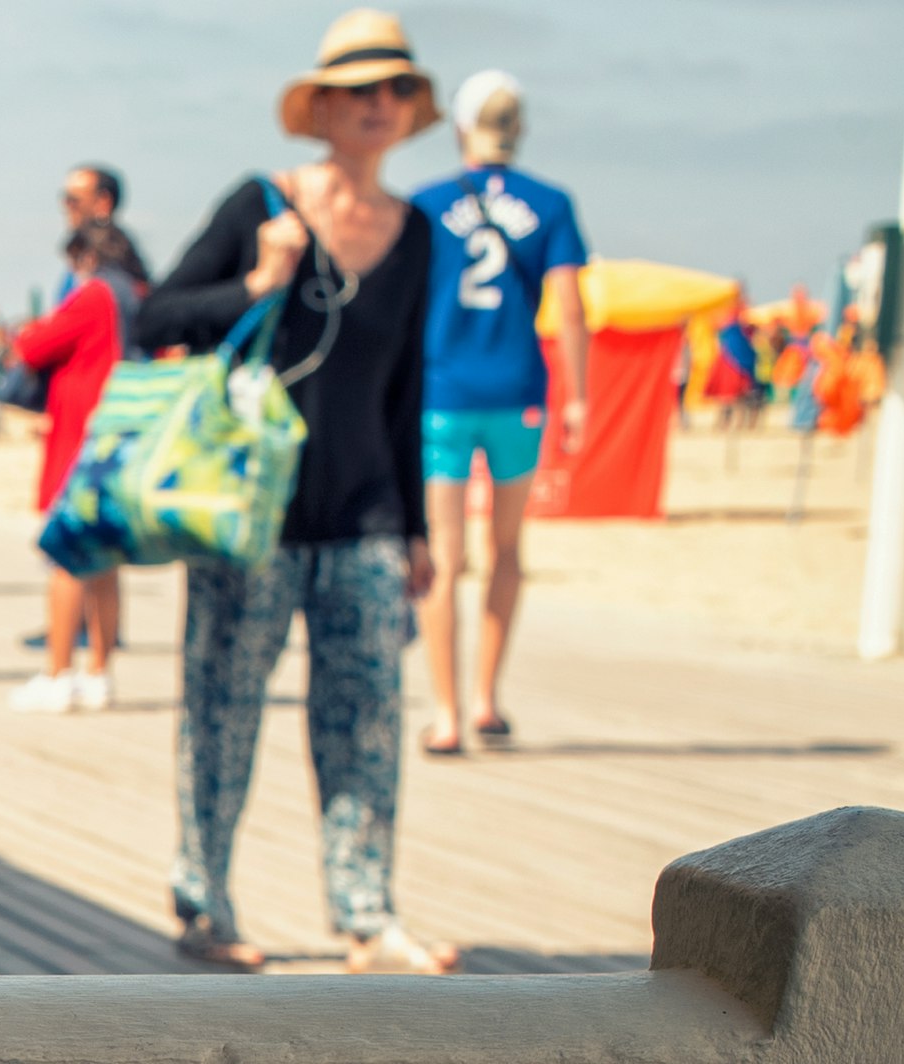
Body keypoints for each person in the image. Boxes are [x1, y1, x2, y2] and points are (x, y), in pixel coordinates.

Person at [135, 8, 454, 974]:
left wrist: (416, 527)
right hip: (248, 510)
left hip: (363, 516)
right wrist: (257, 284)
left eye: (397, 89)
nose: (381, 104)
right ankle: (205, 901)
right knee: (222, 704)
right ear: (321, 108)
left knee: (367, 711)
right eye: (361, 89)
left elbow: (405, 393)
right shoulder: (260, 206)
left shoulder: (415, 234)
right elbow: (154, 316)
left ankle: (365, 915)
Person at [407, 69, 588, 754]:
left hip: (443, 394)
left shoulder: (426, 204)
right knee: (508, 548)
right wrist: (579, 397)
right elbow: (570, 306)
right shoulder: (552, 203)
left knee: (444, 556)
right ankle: (487, 697)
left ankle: (447, 713)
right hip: (518, 393)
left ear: (460, 128)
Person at [9, 218, 149, 712]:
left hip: (82, 436)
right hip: (123, 439)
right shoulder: (139, 293)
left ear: (87, 256)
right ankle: (99, 674)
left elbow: (32, 346)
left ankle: (57, 673)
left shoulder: (95, 296)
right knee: (106, 565)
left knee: (67, 556)